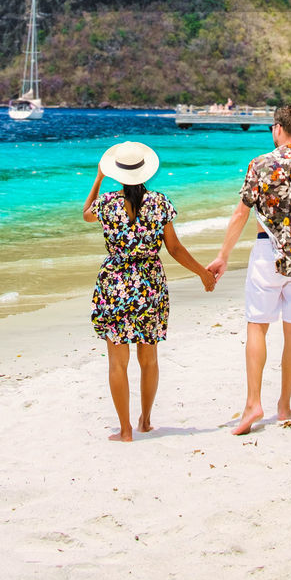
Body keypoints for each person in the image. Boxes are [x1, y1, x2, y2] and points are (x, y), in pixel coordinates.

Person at [208, 103, 291, 435]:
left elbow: (241, 215)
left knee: (258, 326)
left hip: (268, 254)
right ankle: (284, 405)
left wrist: (223, 256)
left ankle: (253, 403)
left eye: (272, 127)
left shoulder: (261, 165)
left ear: (278, 128)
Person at [83, 140, 215, 442]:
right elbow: (175, 248)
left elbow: (86, 214)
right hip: (150, 283)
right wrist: (203, 274)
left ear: (117, 173)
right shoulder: (159, 203)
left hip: (115, 282)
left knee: (117, 361)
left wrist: (98, 178)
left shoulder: (107, 203)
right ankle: (145, 420)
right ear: (145, 172)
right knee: (149, 358)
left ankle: (126, 430)